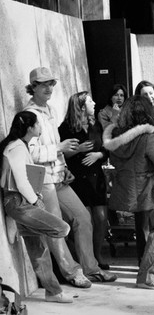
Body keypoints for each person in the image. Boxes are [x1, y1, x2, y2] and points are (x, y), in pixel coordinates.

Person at [24, 67, 116, 287]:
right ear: (33, 87)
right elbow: (31, 153)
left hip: (58, 176)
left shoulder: (50, 110)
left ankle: (91, 269)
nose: (49, 88)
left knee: (83, 218)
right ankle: (72, 273)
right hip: (42, 179)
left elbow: (56, 148)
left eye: (51, 84)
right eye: (43, 84)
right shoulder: (29, 115)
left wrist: (64, 165)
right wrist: (60, 148)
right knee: (56, 227)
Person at [0, 111, 73, 303]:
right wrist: (35, 201)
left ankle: (53, 292)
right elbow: (21, 181)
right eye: (38, 124)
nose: (40, 127)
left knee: (39, 250)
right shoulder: (15, 147)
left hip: (21, 203)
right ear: (30, 127)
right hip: (19, 203)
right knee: (63, 228)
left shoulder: (21, 146)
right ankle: (22, 225)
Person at [103, 95, 154, 289]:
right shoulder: (147, 137)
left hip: (127, 188)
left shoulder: (114, 137)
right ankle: (149, 276)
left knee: (147, 230)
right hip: (151, 189)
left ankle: (150, 273)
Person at [59, 91, 109, 270]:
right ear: (80, 106)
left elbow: (106, 149)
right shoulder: (66, 128)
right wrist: (78, 149)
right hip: (78, 179)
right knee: (84, 220)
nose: (94, 103)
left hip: (97, 178)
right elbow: (61, 154)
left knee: (101, 218)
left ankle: (97, 253)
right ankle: (86, 258)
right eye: (90, 101)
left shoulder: (96, 126)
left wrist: (99, 155)